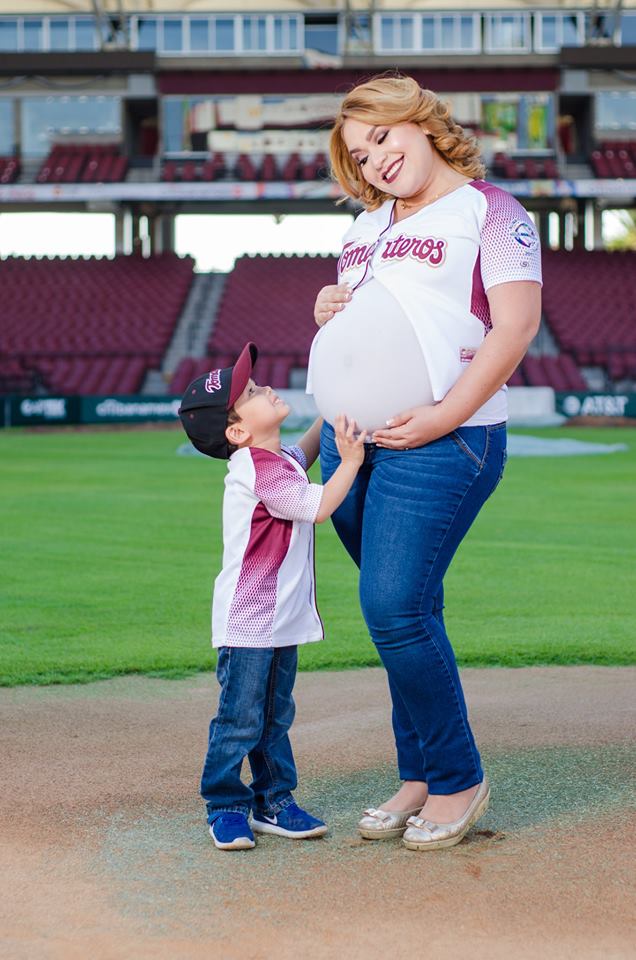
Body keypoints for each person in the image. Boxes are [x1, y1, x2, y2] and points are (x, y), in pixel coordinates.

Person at [310, 74, 542, 851]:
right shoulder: (363, 228)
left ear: (421, 122)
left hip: (446, 438)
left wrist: (443, 415)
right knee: (404, 615)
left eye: (381, 136)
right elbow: (357, 346)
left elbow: (514, 328)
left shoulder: (492, 210)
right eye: (358, 153)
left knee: (393, 607)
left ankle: (458, 778)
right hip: (351, 446)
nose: (374, 159)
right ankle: (419, 772)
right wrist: (311, 434)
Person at [178, 342, 366, 851]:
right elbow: (319, 506)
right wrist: (350, 460)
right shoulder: (257, 470)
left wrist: (332, 409)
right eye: (251, 393)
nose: (264, 387)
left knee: (274, 716)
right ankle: (225, 805)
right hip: (249, 623)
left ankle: (273, 801)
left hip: (277, 620)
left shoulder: (274, 459)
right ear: (237, 432)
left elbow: (303, 453)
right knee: (240, 719)